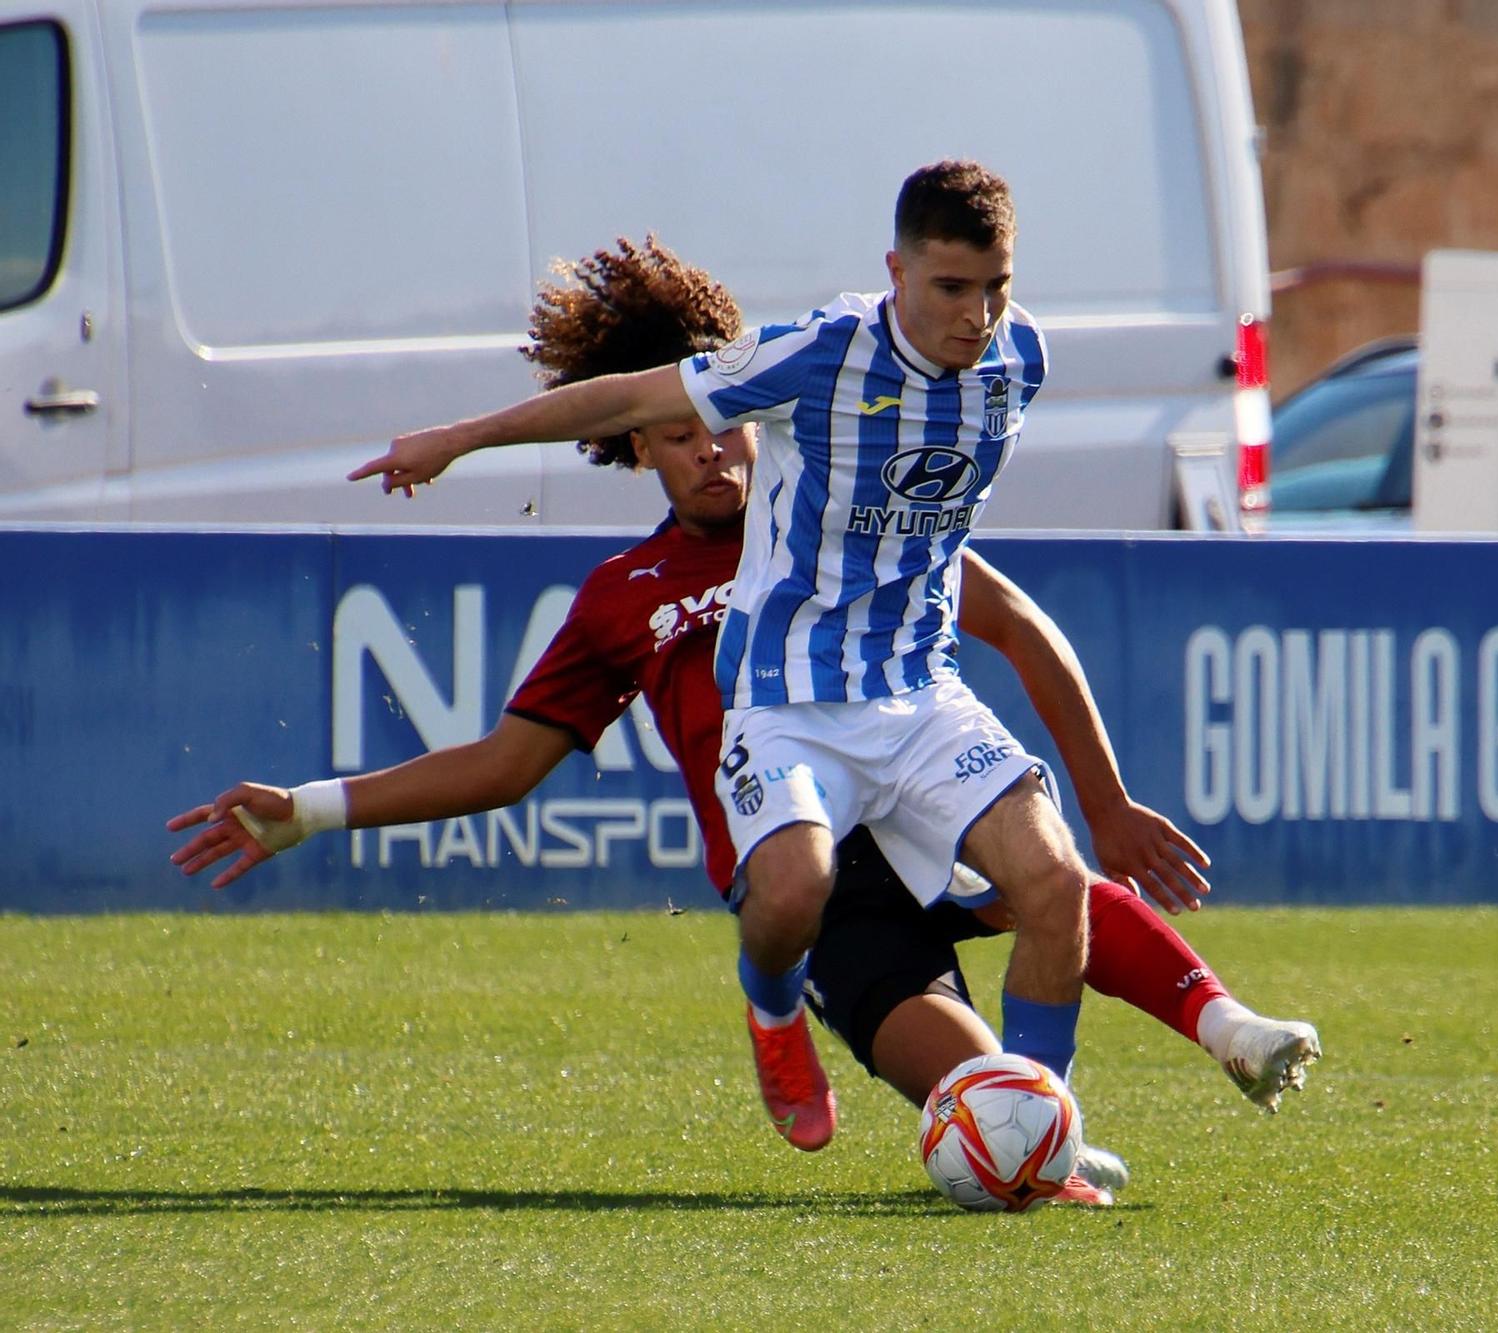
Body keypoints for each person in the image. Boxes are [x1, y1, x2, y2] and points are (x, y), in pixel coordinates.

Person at [186, 236, 1320, 1173]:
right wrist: (314, 808)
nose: (714, 449)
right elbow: (504, 764)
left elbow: (1017, 624)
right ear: (638, 445)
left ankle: (1218, 1029)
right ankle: (859, 1052)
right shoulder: (620, 597)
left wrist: (1104, 795)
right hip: (816, 888)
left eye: (727, 424)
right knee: (985, 1102)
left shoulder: (847, 521)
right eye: (680, 434)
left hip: (917, 797)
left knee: (1053, 881)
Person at [352, 162, 1106, 1151]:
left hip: (918, 691)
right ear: (896, 272)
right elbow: (619, 397)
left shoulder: (1021, 361)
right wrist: (459, 437)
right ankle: (771, 1003)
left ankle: (1033, 1137)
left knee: (1055, 886)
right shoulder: (821, 353)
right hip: (788, 702)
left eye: (995, 285)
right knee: (792, 890)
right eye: (951, 288)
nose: (976, 316)